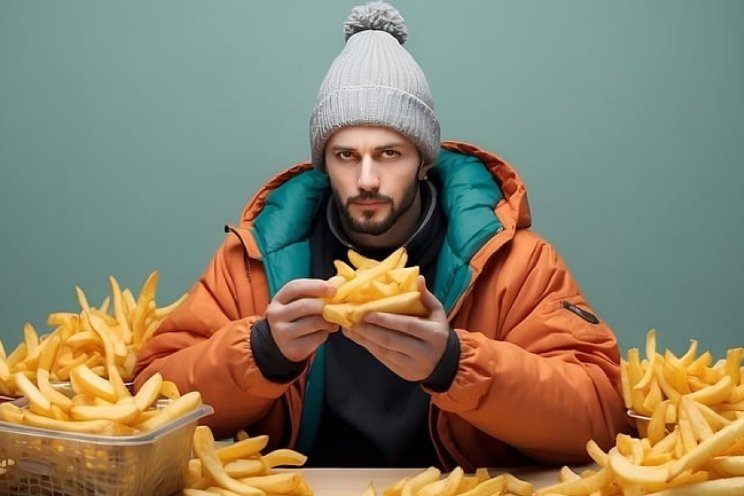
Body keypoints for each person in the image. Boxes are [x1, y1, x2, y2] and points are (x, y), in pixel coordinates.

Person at [135, 1, 629, 470]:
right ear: (323, 163)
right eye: (346, 155)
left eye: (389, 153)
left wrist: (454, 363)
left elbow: (601, 414)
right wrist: (261, 352)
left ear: (422, 162)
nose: (367, 179)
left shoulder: (516, 263)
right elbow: (150, 398)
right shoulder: (255, 257)